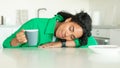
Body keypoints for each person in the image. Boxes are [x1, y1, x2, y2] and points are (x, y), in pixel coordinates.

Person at [3, 11, 98, 48]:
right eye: (70, 28)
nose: (66, 35)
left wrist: (61, 43)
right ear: (68, 20)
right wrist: (16, 41)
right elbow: (5, 44)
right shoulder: (35, 23)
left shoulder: (64, 40)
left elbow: (92, 42)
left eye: (72, 36)